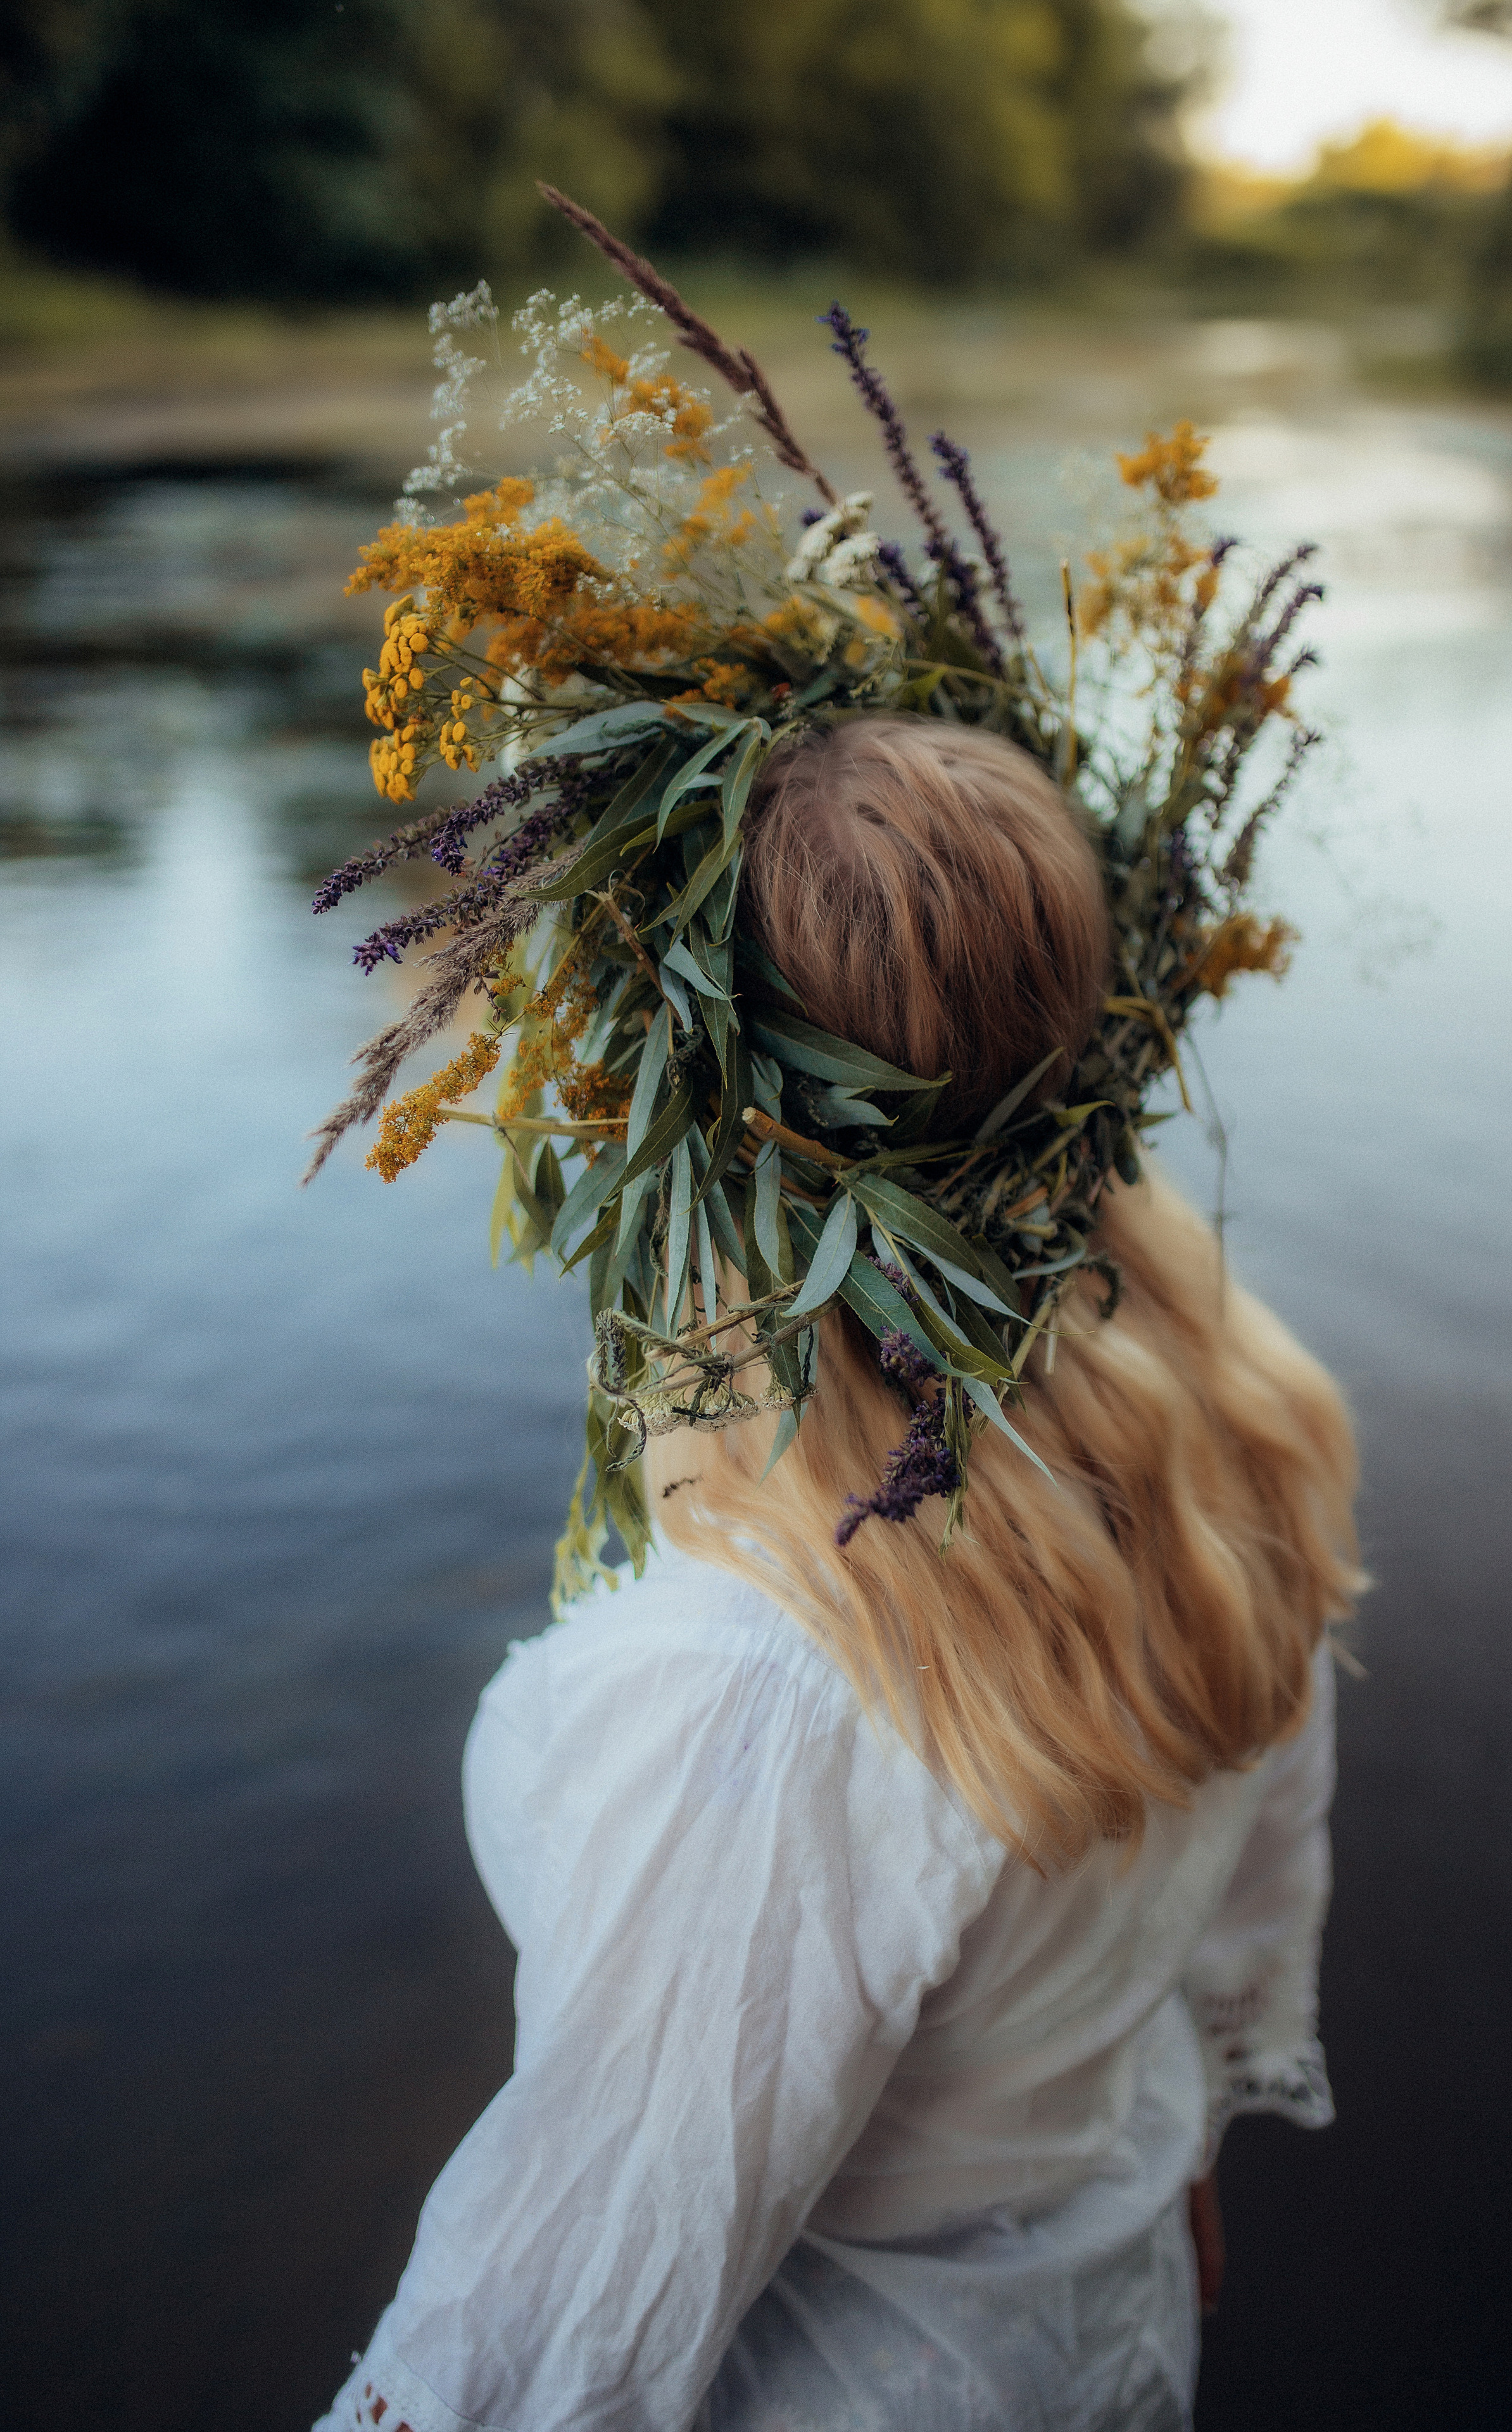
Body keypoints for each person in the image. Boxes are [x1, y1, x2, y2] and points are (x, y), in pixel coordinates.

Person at [317, 717, 1361, 2432]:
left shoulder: (767, 1685)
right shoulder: (1240, 1432)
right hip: (1098, 2327)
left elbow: (564, 2325)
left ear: (709, 1104)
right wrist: (1175, 2143)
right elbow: (1257, 1867)